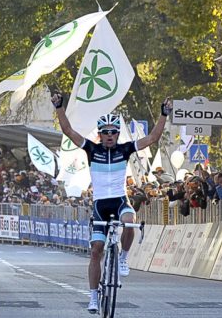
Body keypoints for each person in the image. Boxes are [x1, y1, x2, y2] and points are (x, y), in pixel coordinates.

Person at [51, 92, 172, 313]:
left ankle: (124, 258)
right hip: (100, 205)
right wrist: (59, 107)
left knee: (129, 219)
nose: (109, 136)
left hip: (119, 200)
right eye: (105, 133)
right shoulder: (91, 149)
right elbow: (68, 131)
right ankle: (94, 296)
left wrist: (163, 114)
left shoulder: (124, 150)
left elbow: (152, 138)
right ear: (100, 135)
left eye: (113, 133)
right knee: (96, 250)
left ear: (117, 134)